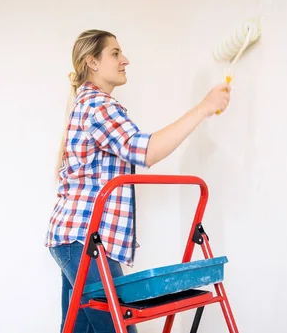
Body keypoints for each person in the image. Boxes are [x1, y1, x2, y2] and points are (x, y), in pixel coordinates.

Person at [44, 29, 231, 333]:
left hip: (74, 238)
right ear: (92, 62)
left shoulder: (88, 103)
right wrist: (204, 108)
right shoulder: (98, 105)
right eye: (115, 53)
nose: (125, 60)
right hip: (83, 240)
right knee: (119, 327)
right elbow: (146, 151)